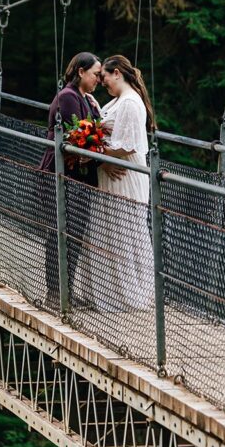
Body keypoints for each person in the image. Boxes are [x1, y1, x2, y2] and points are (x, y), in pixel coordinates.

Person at [73, 54, 156, 311]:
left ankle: (125, 297)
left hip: (124, 177)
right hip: (111, 175)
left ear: (117, 73)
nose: (101, 81)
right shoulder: (120, 101)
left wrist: (94, 152)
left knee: (123, 231)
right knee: (108, 230)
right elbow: (104, 126)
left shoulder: (131, 103)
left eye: (104, 76)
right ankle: (103, 293)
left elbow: (127, 146)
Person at [39, 52, 111, 311]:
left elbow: (91, 131)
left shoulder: (85, 98)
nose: (99, 80)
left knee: (75, 234)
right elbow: (72, 136)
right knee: (59, 233)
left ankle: (65, 291)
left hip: (76, 176)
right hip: (60, 174)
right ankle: (55, 293)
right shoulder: (68, 97)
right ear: (80, 72)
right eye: (95, 74)